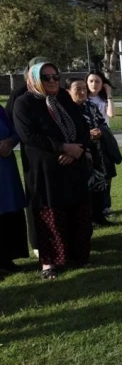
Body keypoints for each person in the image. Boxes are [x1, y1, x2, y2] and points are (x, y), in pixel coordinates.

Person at [13, 62, 92, 280]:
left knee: (77, 213)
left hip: (73, 166)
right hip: (45, 170)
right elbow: (29, 135)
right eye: (46, 78)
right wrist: (62, 147)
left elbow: (82, 128)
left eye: (55, 77)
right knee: (49, 218)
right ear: (35, 80)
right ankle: (49, 264)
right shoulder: (24, 103)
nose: (52, 81)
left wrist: (77, 149)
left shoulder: (65, 99)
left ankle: (79, 256)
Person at [6, 56, 51, 259]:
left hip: (55, 156)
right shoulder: (21, 95)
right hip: (33, 156)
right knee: (35, 197)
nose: (47, 79)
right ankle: (37, 242)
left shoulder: (54, 93)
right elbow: (13, 124)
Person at [66, 78, 112, 226]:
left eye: (84, 89)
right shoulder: (66, 110)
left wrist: (100, 131)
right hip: (79, 153)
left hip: (97, 152)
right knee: (83, 188)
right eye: (77, 89)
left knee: (99, 185)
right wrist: (87, 134)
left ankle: (99, 217)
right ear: (68, 91)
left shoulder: (91, 106)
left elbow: (103, 123)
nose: (82, 92)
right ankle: (86, 220)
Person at [0, 102, 28, 277]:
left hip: (6, 170)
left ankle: (7, 259)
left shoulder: (0, 110)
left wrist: (9, 142)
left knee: (9, 214)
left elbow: (15, 132)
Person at [86, 70, 116, 216]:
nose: (94, 84)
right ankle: (92, 208)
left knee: (106, 173)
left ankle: (105, 206)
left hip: (104, 140)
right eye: (91, 81)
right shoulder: (83, 99)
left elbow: (111, 114)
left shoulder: (103, 100)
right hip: (88, 140)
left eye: (97, 81)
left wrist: (109, 94)